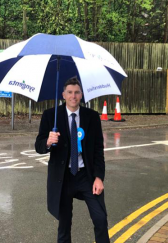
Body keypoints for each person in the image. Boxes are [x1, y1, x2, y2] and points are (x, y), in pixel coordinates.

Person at [35, 77, 110, 243]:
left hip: (86, 176)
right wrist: (48, 141)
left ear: (81, 95)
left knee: (100, 219)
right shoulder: (50, 116)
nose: (73, 96)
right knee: (64, 225)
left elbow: (98, 149)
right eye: (69, 92)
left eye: (76, 92)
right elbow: (38, 146)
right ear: (63, 94)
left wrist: (99, 177)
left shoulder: (92, 117)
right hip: (63, 178)